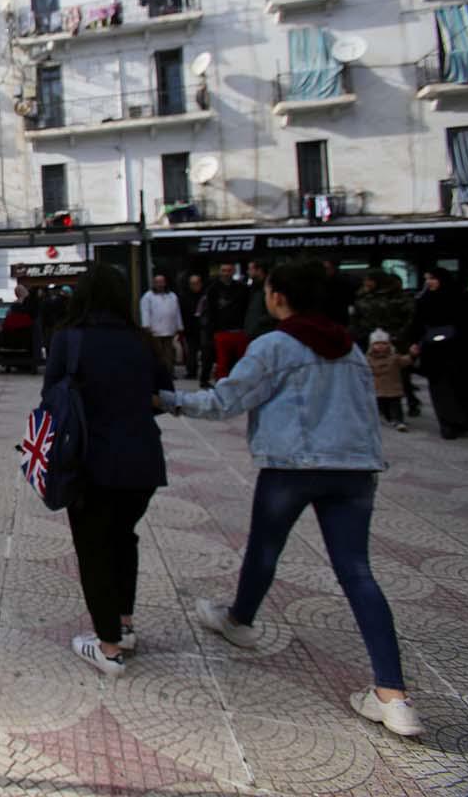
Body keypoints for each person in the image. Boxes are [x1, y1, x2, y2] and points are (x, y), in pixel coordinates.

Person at [158, 260, 422, 737]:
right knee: (357, 572)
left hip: (293, 467)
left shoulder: (275, 345)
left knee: (265, 548)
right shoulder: (349, 347)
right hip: (355, 470)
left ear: (279, 297)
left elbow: (226, 401)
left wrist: (170, 400)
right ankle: (394, 695)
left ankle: (240, 620)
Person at [44, 263, 173, 677]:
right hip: (143, 461)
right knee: (123, 539)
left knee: (94, 549)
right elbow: (163, 395)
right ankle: (125, 622)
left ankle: (109, 647)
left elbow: (51, 398)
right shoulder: (143, 341)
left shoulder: (70, 339)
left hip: (91, 462)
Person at [408, 268, 468, 440]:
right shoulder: (424, 300)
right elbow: (417, 323)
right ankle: (448, 424)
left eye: (433, 278)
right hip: (434, 351)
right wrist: (414, 343)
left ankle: (463, 421)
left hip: (458, 350)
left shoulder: (462, 299)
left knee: (460, 386)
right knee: (439, 387)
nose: (429, 282)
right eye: (427, 279)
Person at [358, 272, 420, 417]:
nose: (366, 284)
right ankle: (381, 404)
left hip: (395, 338)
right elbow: (359, 316)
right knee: (375, 373)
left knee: (399, 372)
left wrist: (399, 334)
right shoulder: (365, 297)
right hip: (372, 338)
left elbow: (410, 317)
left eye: (369, 281)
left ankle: (409, 402)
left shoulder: (398, 298)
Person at [205, 263, 249, 381]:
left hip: (239, 330)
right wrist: (212, 331)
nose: (226, 273)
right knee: (222, 362)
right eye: (223, 270)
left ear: (233, 271)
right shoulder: (213, 289)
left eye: (229, 270)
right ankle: (222, 385)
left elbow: (245, 308)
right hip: (221, 331)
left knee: (241, 361)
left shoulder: (242, 288)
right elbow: (210, 311)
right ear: (220, 272)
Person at [366, 330, 412, 433]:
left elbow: (405, 361)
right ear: (372, 346)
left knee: (395, 405)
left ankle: (399, 421)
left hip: (393, 387)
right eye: (377, 344)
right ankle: (388, 418)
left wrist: (412, 355)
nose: (380, 346)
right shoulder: (368, 360)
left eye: (384, 343)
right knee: (382, 406)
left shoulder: (394, 357)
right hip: (377, 389)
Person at [139, 273, 183, 376]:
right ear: (154, 283)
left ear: (165, 283)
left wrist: (179, 326)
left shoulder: (172, 296)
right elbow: (145, 311)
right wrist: (146, 325)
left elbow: (177, 312)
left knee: (169, 353)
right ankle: (158, 373)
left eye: (161, 282)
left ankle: (169, 372)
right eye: (157, 282)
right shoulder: (148, 296)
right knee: (157, 354)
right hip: (154, 330)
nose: (160, 284)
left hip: (169, 329)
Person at [181, 273, 207, 382]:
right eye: (192, 283)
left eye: (196, 283)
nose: (194, 286)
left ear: (200, 284)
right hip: (190, 328)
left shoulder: (206, 295)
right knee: (191, 352)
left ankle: (205, 372)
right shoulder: (184, 296)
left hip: (204, 328)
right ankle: (191, 372)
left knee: (205, 351)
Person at [243, 260, 275, 342]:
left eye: (250, 269)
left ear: (259, 270)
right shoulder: (252, 288)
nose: (247, 272)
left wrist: (259, 321)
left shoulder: (270, 287)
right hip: (254, 333)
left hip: (265, 333)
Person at [322, 260, 359, 328]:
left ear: (333, 268)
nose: (324, 271)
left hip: (338, 314)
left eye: (326, 268)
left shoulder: (342, 281)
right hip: (335, 314)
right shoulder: (326, 280)